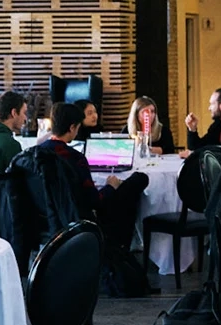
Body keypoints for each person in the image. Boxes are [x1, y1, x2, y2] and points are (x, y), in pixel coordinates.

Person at [37, 100, 148, 245]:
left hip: (47, 218)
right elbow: (96, 201)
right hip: (80, 219)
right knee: (139, 179)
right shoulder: (74, 158)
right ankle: (122, 248)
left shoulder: (37, 152)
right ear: (72, 128)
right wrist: (110, 186)